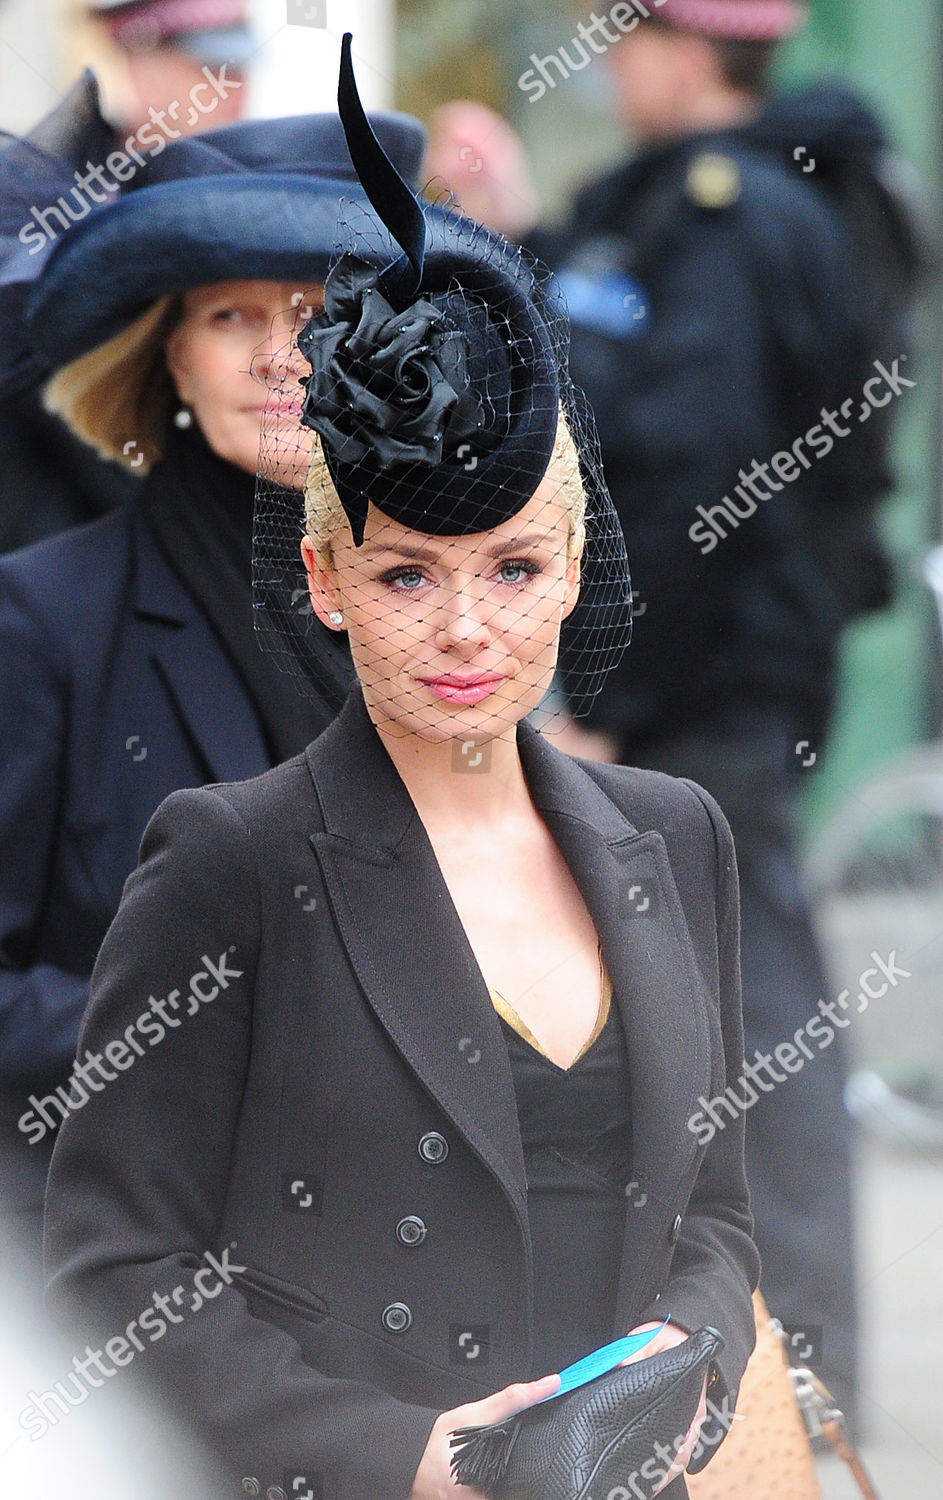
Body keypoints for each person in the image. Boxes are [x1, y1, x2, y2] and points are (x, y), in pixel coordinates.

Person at [43, 37, 759, 1499]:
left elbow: (718, 1216)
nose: (463, 630)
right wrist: (397, 1461)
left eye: (510, 569)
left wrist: (680, 1373)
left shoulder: (672, 834)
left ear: (570, 574)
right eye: (405, 575)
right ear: (325, 582)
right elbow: (119, 1264)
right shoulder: (230, 853)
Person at [516, 0, 922, 1428]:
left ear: (683, 53)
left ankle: (802, 1389)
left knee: (760, 1029)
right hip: (710, 690)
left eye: (624, 37)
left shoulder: (739, 220)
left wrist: (612, 699)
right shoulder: (682, 211)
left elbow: (693, 487)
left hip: (711, 701)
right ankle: (729, 1380)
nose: (609, 61)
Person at [0, 101, 427, 1267]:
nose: (280, 355)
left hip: (395, 1268)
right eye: (231, 313)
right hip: (118, 1266)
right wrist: (204, 1016)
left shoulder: (447, 613)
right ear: (169, 352)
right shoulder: (43, 620)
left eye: (320, 312)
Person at [0, 1, 252, 553]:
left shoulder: (243, 205)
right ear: (140, 64)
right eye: (213, 71)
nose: (236, 91)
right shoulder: (38, 201)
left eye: (241, 71)